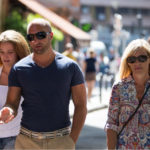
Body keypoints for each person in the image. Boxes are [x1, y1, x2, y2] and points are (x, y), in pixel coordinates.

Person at [0, 18, 87, 150]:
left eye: (41, 35)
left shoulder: (70, 67)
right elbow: (12, 102)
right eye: (31, 37)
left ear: (50, 35)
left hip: (60, 141)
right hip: (26, 142)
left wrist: (71, 140)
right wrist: (8, 110)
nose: (36, 40)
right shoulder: (19, 68)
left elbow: (81, 105)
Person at [105, 39, 150, 149]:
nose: (137, 63)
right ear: (127, 63)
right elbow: (111, 125)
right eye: (132, 59)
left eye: (142, 58)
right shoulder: (119, 88)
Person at [0, 30, 30, 149]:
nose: (5, 56)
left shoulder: (28, 75)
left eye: (10, 52)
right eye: (1, 52)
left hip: (17, 137)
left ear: (19, 52)